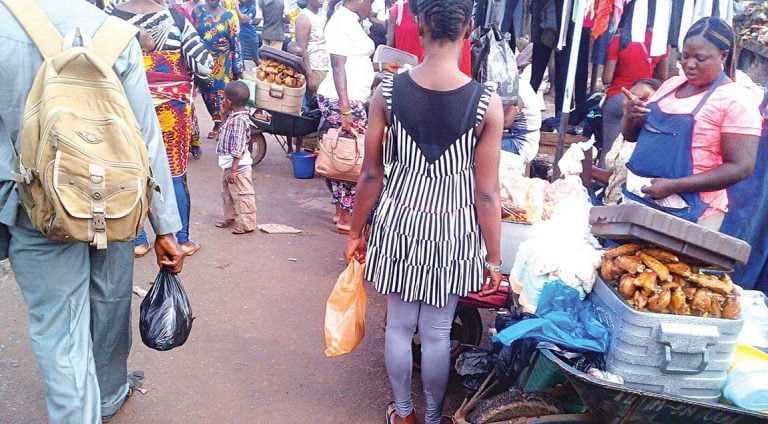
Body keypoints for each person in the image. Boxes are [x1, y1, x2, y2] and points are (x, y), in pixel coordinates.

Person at [0, 0, 184, 422]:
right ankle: (107, 395)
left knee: (59, 329)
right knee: (110, 301)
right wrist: (165, 228)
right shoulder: (114, 33)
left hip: (37, 206)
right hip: (114, 203)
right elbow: (146, 138)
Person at [344, 0, 503, 422]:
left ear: (418, 26)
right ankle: (432, 417)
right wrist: (495, 258)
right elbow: (487, 194)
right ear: (467, 28)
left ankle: (403, 413)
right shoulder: (487, 103)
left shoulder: (387, 93)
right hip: (453, 230)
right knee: (435, 333)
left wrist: (355, 232)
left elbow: (370, 176)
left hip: (399, 223)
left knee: (398, 325)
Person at [622, 17, 762, 231]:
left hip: (693, 214)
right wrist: (630, 116)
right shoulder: (670, 85)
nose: (690, 65)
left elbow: (741, 168)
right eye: (684, 57)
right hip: (640, 198)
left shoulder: (736, 100)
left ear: (723, 56)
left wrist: (674, 186)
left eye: (700, 58)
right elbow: (632, 136)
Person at [108, 0, 214, 258]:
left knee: (132, 168)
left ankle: (137, 240)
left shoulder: (111, 17)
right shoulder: (175, 19)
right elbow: (204, 65)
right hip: (171, 108)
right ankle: (181, 240)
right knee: (173, 172)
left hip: (125, 105)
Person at [317, 0, 398, 233]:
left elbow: (355, 59)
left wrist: (381, 65)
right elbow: (338, 66)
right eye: (370, 3)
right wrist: (345, 109)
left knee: (349, 153)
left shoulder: (351, 20)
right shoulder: (341, 21)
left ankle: (342, 212)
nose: (371, 9)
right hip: (342, 100)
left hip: (352, 98)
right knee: (350, 156)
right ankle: (345, 215)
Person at [601, 28, 668, 164]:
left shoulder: (620, 40)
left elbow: (607, 78)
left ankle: (601, 182)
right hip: (644, 101)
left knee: (610, 149)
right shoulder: (660, 43)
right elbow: (662, 77)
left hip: (618, 97)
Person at [591, 79, 661, 205]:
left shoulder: (654, 139)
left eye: (641, 99)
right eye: (628, 96)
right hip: (607, 203)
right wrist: (587, 169)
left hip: (628, 209)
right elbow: (617, 177)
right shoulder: (624, 133)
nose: (632, 102)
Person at [193, 0, 243, 139]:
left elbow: (235, 42)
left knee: (222, 94)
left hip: (223, 62)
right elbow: (192, 36)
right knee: (207, 94)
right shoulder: (197, 12)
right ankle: (216, 120)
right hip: (202, 62)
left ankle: (221, 123)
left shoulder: (229, 16)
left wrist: (237, 67)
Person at [387, 0, 472, 77]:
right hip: (456, 79)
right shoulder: (398, 11)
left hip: (411, 79)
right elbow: (390, 49)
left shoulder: (388, 88)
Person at [215, 81, 258, 234]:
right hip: (229, 165)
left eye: (224, 98)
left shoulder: (240, 121)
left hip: (237, 167)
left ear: (229, 102)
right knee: (228, 193)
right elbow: (224, 132)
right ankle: (230, 216)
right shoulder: (233, 117)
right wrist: (223, 115)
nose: (222, 101)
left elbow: (239, 146)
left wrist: (233, 169)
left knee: (243, 195)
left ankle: (248, 223)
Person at [501, 79, 542, 168]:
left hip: (521, 143)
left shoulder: (516, 90)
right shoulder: (514, 83)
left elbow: (506, 122)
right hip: (513, 136)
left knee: (478, 149)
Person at [295, 0, 329, 98]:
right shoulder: (304, 18)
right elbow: (302, 49)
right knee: (315, 101)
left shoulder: (322, 14)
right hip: (314, 67)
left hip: (325, 66)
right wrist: (310, 75)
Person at [237, 0, 262, 65]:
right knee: (241, 60)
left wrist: (236, 9)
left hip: (250, 37)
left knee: (255, 59)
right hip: (240, 37)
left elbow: (244, 19)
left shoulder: (252, 7)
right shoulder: (240, 5)